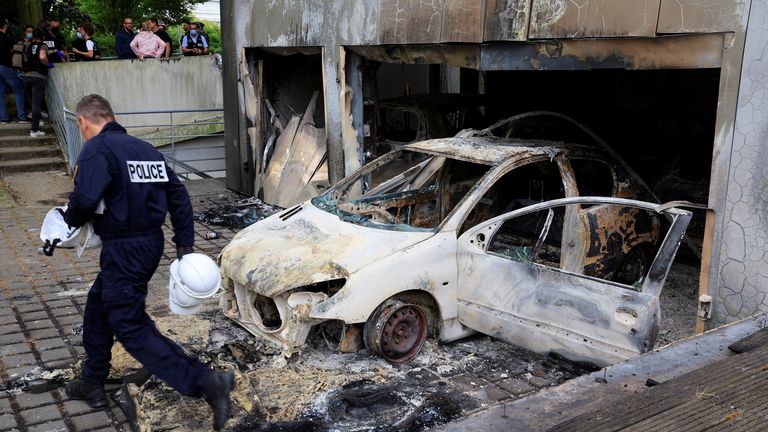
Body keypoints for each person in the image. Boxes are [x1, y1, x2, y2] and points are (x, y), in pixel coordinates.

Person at [62, 94, 234, 431]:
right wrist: (184, 243)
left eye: (81, 128)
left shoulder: (97, 149)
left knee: (129, 324)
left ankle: (205, 381)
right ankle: (93, 381)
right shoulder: (145, 150)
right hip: (149, 244)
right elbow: (179, 195)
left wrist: (66, 221)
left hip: (125, 247)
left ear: (84, 121)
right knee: (99, 306)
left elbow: (84, 199)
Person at [20, 27, 48, 137]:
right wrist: (47, 63)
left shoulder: (29, 45)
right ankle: (34, 130)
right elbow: (42, 56)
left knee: (32, 103)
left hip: (25, 76)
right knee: (36, 104)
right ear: (43, 37)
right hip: (38, 77)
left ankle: (36, 122)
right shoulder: (43, 46)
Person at [0, 18, 28, 124]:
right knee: (19, 90)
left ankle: (3, 118)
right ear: (5, 26)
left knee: (0, 93)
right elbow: (15, 51)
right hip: (6, 67)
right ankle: (22, 117)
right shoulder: (7, 38)